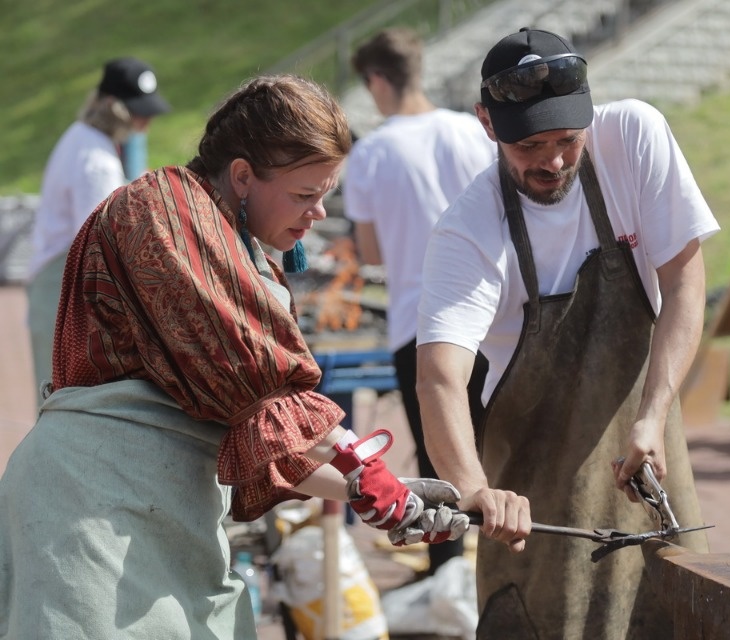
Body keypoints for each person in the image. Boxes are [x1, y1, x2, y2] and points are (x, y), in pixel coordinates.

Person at [0, 74, 469, 639]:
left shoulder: (236, 245)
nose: (318, 213)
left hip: (169, 511)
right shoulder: (161, 208)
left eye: (325, 194)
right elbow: (259, 388)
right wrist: (367, 471)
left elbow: (263, 441)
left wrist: (368, 494)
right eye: (304, 194)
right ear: (243, 175)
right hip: (88, 510)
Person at [415, 28, 719, 638]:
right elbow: (440, 377)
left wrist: (653, 415)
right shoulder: (468, 232)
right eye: (530, 145)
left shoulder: (633, 137)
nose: (553, 161)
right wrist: (474, 489)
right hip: (536, 521)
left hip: (649, 473)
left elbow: (685, 286)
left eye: (566, 140)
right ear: (486, 122)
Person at [343, 27, 496, 577]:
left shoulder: (371, 154)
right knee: (504, 449)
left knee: (442, 464)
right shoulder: (472, 131)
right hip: (494, 317)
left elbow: (370, 252)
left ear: (378, 80)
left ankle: (450, 578)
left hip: (421, 320)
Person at [26, 57, 172, 397]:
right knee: (64, 407)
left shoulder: (83, 139)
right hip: (63, 286)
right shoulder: (96, 162)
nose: (145, 121)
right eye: (138, 112)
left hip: (56, 281)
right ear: (113, 107)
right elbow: (102, 244)